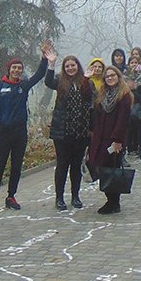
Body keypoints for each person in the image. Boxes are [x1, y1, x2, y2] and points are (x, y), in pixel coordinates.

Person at [0, 43, 50, 212]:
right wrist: (0, 118)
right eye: (14, 68)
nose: (17, 70)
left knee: (16, 166)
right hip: (4, 132)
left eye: (19, 68)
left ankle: (11, 196)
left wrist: (44, 58)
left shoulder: (24, 85)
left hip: (20, 133)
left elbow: (39, 74)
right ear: (9, 69)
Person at [46, 53, 93, 211]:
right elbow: (48, 82)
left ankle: (75, 196)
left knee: (76, 165)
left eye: (73, 65)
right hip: (62, 131)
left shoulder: (86, 81)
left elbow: (89, 97)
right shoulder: (60, 80)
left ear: (78, 66)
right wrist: (51, 64)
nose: (70, 68)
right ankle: (59, 198)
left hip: (80, 131)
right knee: (62, 165)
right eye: (67, 66)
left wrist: (86, 79)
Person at [88, 66, 133, 214]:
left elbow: (123, 120)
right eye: (107, 77)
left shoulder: (124, 96)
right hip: (101, 137)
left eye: (113, 75)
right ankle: (110, 199)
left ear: (118, 76)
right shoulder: (103, 94)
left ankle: (114, 202)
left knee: (112, 168)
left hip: (115, 139)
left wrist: (117, 140)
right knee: (101, 167)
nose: (110, 78)